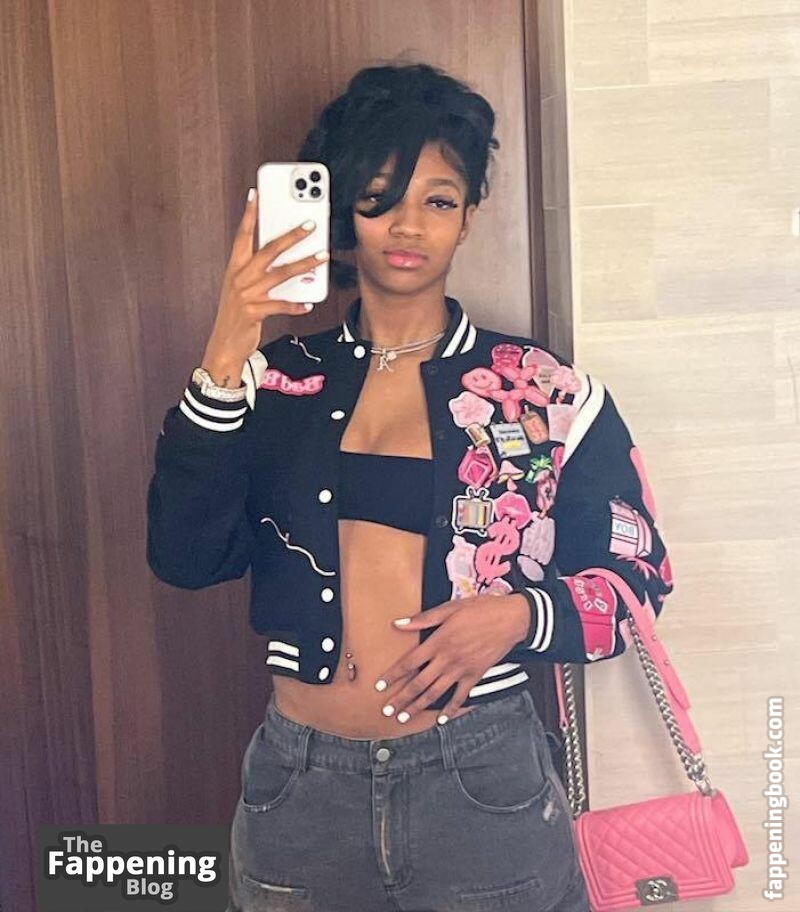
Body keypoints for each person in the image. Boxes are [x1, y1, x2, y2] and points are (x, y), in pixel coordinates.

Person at [146, 62, 673, 912]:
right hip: (301, 791)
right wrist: (226, 349)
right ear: (341, 214)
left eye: (438, 199)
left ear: (469, 216)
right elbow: (184, 558)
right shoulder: (273, 381)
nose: (407, 224)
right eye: (378, 197)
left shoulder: (542, 390)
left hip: (480, 782)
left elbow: (640, 582)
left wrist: (517, 616)